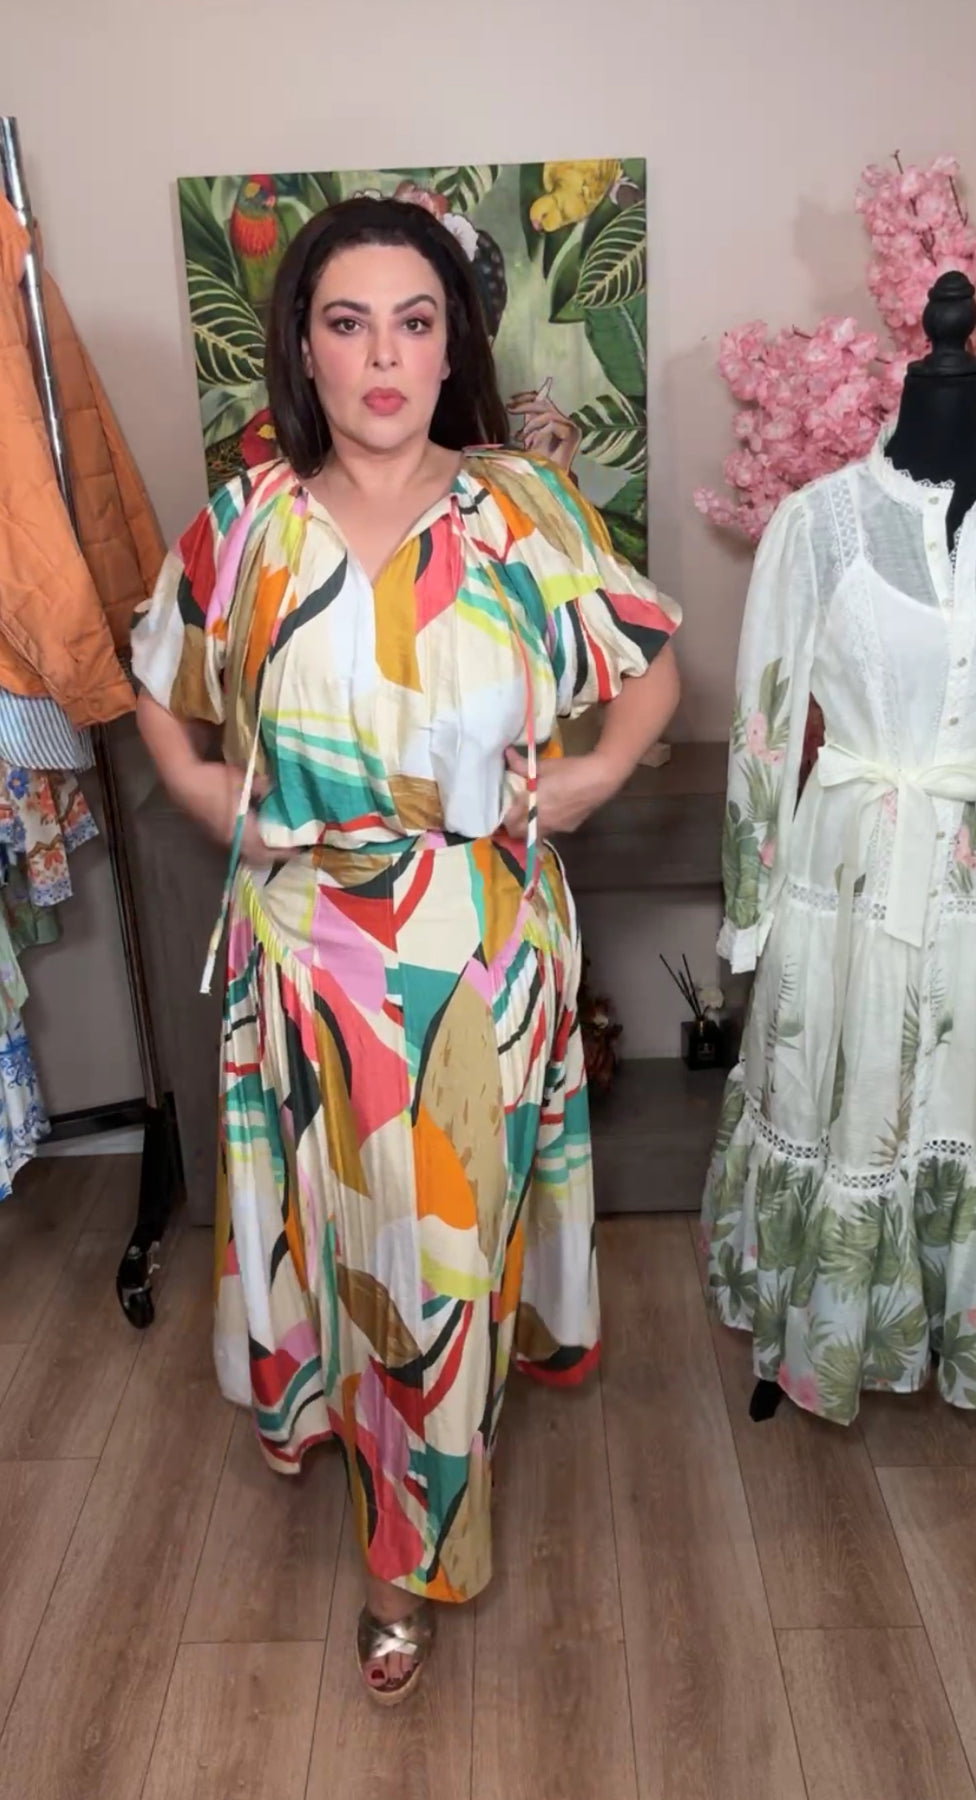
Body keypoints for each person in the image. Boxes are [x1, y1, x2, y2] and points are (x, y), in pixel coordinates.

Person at [132, 196, 680, 1704]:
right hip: (301, 954)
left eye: (415, 323)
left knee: (432, 1269)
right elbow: (163, 698)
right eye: (349, 323)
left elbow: (649, 671)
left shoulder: (523, 510)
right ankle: (357, 1434)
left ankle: (406, 1564)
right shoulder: (245, 524)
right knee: (335, 1241)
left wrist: (590, 778)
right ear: (304, 349)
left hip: (473, 955)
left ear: (452, 349)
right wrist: (215, 807)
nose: (383, 357)